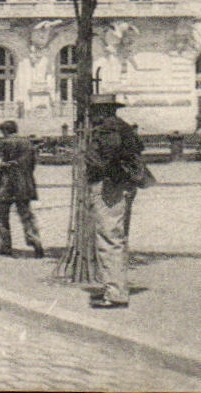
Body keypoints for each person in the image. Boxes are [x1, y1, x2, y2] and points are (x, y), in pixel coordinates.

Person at [84, 94, 144, 309]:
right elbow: (138, 149)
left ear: (100, 111)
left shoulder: (108, 129)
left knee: (109, 238)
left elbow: (109, 156)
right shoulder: (123, 127)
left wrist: (100, 168)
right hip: (124, 185)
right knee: (117, 236)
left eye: (93, 111)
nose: (91, 115)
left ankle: (116, 293)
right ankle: (116, 288)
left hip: (110, 186)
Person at [0, 120, 44, 259]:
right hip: (24, 184)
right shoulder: (28, 143)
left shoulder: (2, 144)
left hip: (6, 184)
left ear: (5, 131)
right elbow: (32, 164)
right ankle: (35, 241)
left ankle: (5, 246)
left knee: (1, 216)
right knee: (27, 215)